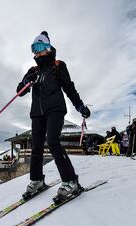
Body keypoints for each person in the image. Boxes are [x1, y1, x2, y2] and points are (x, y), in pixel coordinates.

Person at [17, 31, 90, 201]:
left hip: (55, 109)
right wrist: (27, 82)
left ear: (48, 48)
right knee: (36, 145)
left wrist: (80, 106)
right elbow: (19, 91)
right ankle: (36, 180)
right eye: (34, 48)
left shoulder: (58, 66)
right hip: (37, 112)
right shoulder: (33, 70)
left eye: (40, 47)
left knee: (53, 142)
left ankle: (71, 181)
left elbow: (69, 88)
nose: (37, 51)